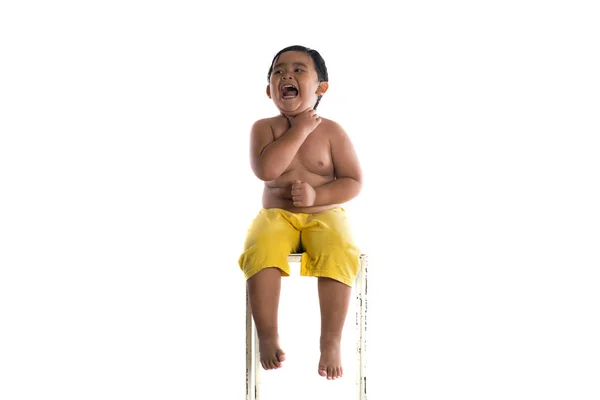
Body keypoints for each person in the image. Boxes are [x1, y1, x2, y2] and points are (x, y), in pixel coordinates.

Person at [238, 45, 362, 380]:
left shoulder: (333, 132)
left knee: (339, 247)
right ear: (269, 90)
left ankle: (331, 340)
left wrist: (317, 194)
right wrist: (299, 129)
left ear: (321, 87)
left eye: (298, 70)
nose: (286, 76)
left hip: (325, 213)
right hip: (277, 216)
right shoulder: (265, 128)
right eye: (278, 71)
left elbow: (353, 181)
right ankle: (267, 334)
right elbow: (267, 169)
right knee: (260, 245)